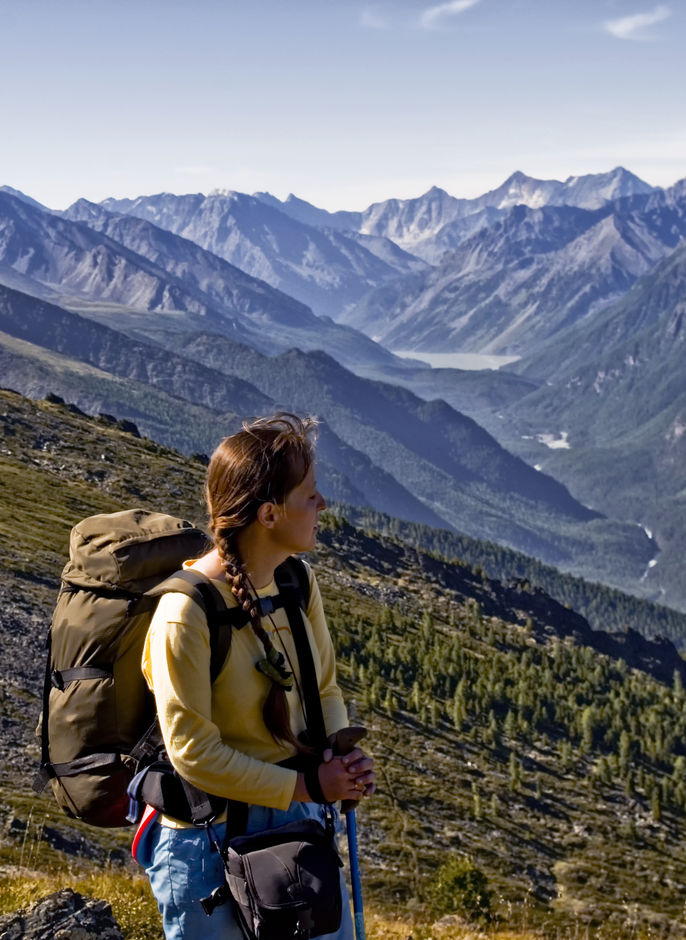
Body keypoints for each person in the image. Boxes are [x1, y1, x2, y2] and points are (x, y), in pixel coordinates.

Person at [136, 412, 375, 940]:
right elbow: (193, 754)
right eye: (310, 495)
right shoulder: (184, 613)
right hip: (206, 841)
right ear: (269, 514)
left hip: (295, 821)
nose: (323, 505)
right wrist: (309, 783)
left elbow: (325, 688)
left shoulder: (295, 581)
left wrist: (341, 754)